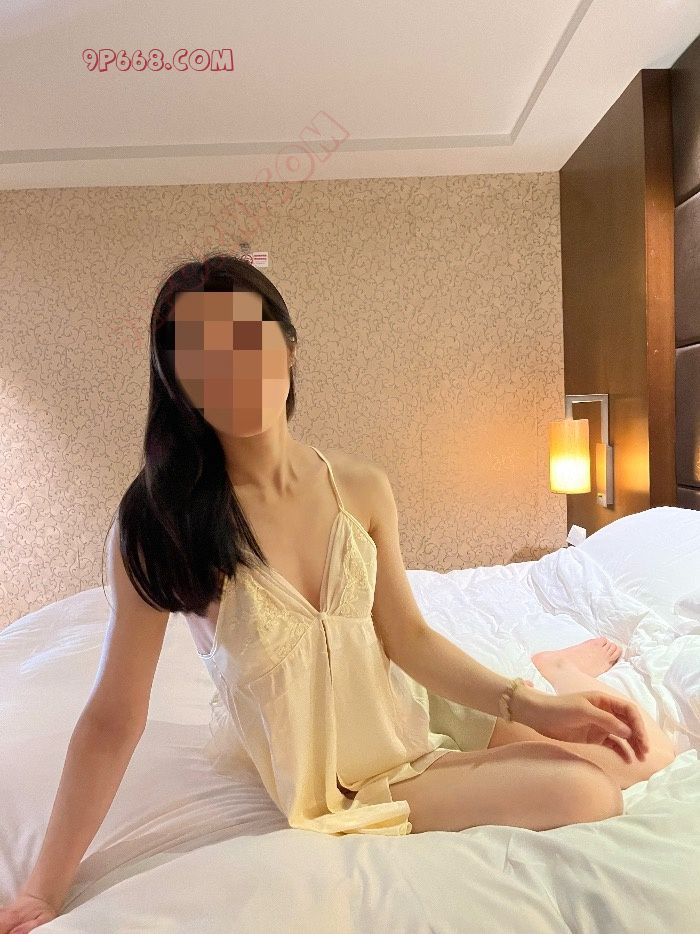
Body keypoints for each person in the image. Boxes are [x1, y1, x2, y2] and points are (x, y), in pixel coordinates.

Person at [2, 253, 676, 929]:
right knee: (589, 793)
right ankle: (549, 683)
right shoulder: (163, 523)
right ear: (179, 382)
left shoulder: (360, 486)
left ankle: (558, 670)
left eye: (247, 340)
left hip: (414, 706)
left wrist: (535, 706)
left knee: (644, 758)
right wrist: (42, 889)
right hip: (353, 782)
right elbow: (113, 718)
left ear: (288, 347)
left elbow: (409, 638)